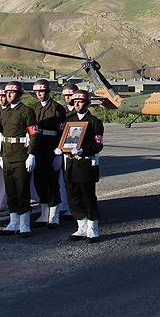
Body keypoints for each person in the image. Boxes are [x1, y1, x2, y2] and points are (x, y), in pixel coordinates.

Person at [0, 81, 39, 238]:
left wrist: (31, 154)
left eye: (12, 92)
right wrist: (1, 155)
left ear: (19, 94)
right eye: (6, 92)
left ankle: (24, 223)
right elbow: (1, 136)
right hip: (7, 155)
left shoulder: (27, 111)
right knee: (11, 191)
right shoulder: (5, 112)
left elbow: (33, 134)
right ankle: (13, 222)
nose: (8, 95)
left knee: (22, 190)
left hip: (21, 155)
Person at [63, 90, 105, 243]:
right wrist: (61, 148)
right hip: (71, 163)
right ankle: (81, 226)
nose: (77, 104)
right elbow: (64, 139)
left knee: (87, 196)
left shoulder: (95, 122)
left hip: (86, 163)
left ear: (87, 104)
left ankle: (93, 228)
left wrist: (84, 150)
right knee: (73, 196)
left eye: (80, 102)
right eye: (75, 102)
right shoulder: (69, 121)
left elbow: (98, 144)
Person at [31, 78, 67, 229]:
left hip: (51, 148)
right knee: (39, 183)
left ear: (48, 92)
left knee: (52, 183)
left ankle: (54, 215)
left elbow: (62, 132)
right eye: (38, 92)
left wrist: (59, 154)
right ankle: (44, 213)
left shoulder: (57, 108)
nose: (40, 94)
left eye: (42, 92)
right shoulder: (33, 108)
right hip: (38, 148)